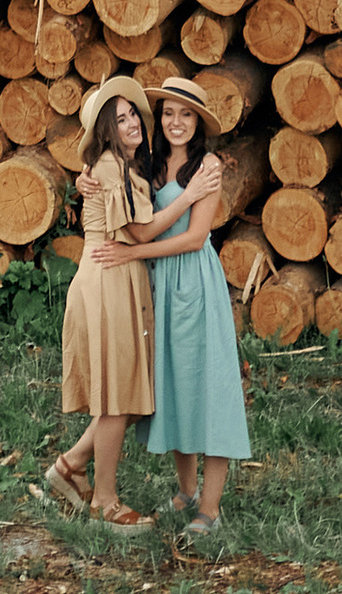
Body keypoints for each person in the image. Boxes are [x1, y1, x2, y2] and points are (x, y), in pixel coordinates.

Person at [107, 74, 253, 543]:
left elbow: (194, 237)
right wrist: (87, 180)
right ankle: (187, 490)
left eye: (186, 115)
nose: (176, 122)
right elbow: (107, 171)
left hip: (193, 280)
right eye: (168, 113)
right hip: (159, 285)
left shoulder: (206, 166)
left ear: (198, 123)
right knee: (174, 383)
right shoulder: (149, 163)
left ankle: (210, 507)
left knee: (205, 385)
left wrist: (134, 253)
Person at [44, 78, 168, 525]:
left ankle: (71, 467)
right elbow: (140, 232)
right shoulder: (111, 166)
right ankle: (105, 501)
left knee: (129, 393)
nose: (132, 122)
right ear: (106, 130)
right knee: (117, 398)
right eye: (120, 119)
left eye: (133, 114)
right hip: (107, 278)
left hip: (121, 277)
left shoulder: (126, 166)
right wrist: (190, 199)